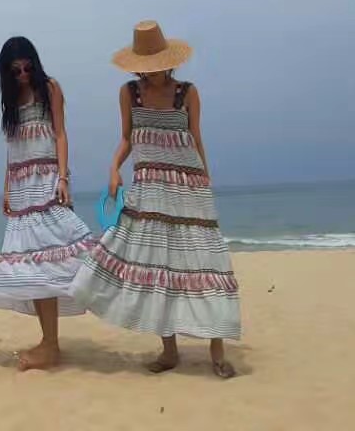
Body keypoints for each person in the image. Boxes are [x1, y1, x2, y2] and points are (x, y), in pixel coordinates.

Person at [70, 21, 240, 378]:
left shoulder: (187, 92)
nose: (151, 71)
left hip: (188, 186)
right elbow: (127, 138)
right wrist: (114, 170)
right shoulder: (129, 93)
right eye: (145, 65)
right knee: (156, 265)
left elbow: (195, 137)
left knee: (203, 262)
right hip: (148, 187)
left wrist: (205, 179)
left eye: (156, 64)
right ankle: (169, 351)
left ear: (168, 61)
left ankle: (217, 352)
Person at [0, 36, 96, 370]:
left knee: (58, 256)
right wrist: (7, 189)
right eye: (15, 71)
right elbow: (12, 149)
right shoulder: (11, 100)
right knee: (34, 266)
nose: (23, 75)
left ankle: (51, 344)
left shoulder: (50, 88)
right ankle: (49, 343)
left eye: (27, 68)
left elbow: (60, 134)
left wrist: (63, 178)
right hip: (22, 187)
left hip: (47, 181)